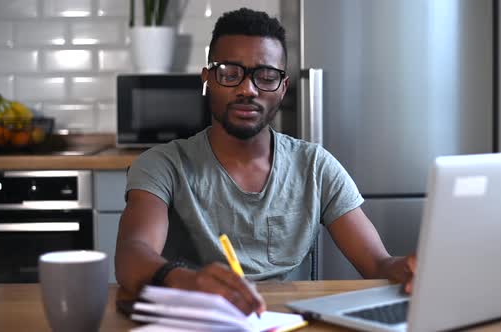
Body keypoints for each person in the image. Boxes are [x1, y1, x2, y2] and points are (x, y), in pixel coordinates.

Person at [115, 7, 416, 316]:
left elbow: (377, 263)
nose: (247, 89)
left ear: (283, 88)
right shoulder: (162, 164)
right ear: (208, 79)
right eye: (230, 74)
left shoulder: (315, 166)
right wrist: (187, 280)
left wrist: (403, 270)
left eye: (266, 77)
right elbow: (131, 255)